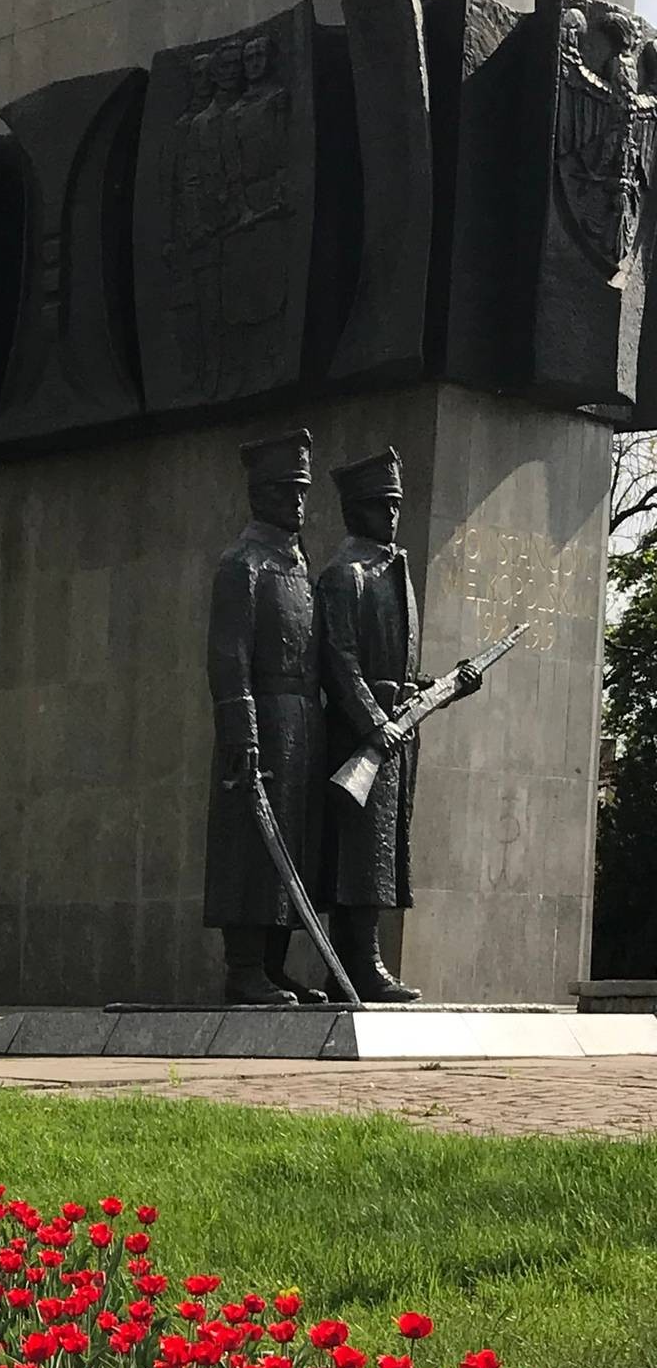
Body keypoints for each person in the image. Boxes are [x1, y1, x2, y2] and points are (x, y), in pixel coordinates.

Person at [315, 445, 479, 1002]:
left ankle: (364, 963)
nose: (391, 515)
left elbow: (398, 670)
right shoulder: (344, 576)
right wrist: (371, 722)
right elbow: (339, 660)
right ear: (355, 510)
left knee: (382, 857)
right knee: (358, 857)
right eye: (381, 505)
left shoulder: (396, 571)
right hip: (361, 735)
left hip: (395, 732)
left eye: (396, 504)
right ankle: (358, 967)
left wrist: (444, 687)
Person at [203, 429, 325, 1006]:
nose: (297, 502)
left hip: (301, 725)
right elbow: (229, 655)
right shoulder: (242, 564)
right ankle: (244, 967)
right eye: (285, 491)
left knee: (291, 849)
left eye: (302, 491)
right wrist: (241, 729)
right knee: (250, 849)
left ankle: (275, 967)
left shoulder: (299, 566)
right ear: (260, 494)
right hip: (261, 723)